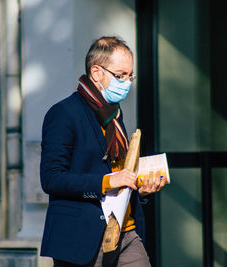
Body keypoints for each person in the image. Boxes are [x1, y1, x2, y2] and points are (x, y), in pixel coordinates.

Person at [39, 36, 167, 267]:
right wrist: (106, 182)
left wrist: (142, 190)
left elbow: (118, 172)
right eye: (120, 75)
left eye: (130, 75)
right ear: (96, 72)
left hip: (126, 233)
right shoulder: (64, 114)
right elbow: (52, 178)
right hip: (83, 238)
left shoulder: (114, 115)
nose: (127, 82)